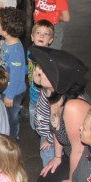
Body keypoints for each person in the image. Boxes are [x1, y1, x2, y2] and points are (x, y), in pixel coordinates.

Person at [30, 46, 91, 182]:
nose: (38, 70)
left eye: (43, 70)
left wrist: (71, 181)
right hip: (69, 153)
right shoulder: (52, 93)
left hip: (89, 159)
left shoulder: (73, 107)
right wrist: (57, 157)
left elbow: (80, 149)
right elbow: (56, 129)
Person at [0, 7, 28, 141]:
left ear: (6, 29)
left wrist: (10, 95)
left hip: (13, 92)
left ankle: (12, 139)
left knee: (11, 118)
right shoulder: (8, 42)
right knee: (6, 113)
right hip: (6, 87)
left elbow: (16, 77)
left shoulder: (15, 51)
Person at [27, 20, 55, 166]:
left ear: (51, 40)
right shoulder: (30, 51)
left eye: (46, 34)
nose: (41, 36)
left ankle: (47, 139)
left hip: (43, 98)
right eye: (38, 33)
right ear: (32, 37)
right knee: (34, 121)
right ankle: (39, 129)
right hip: (32, 94)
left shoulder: (50, 58)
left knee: (43, 121)